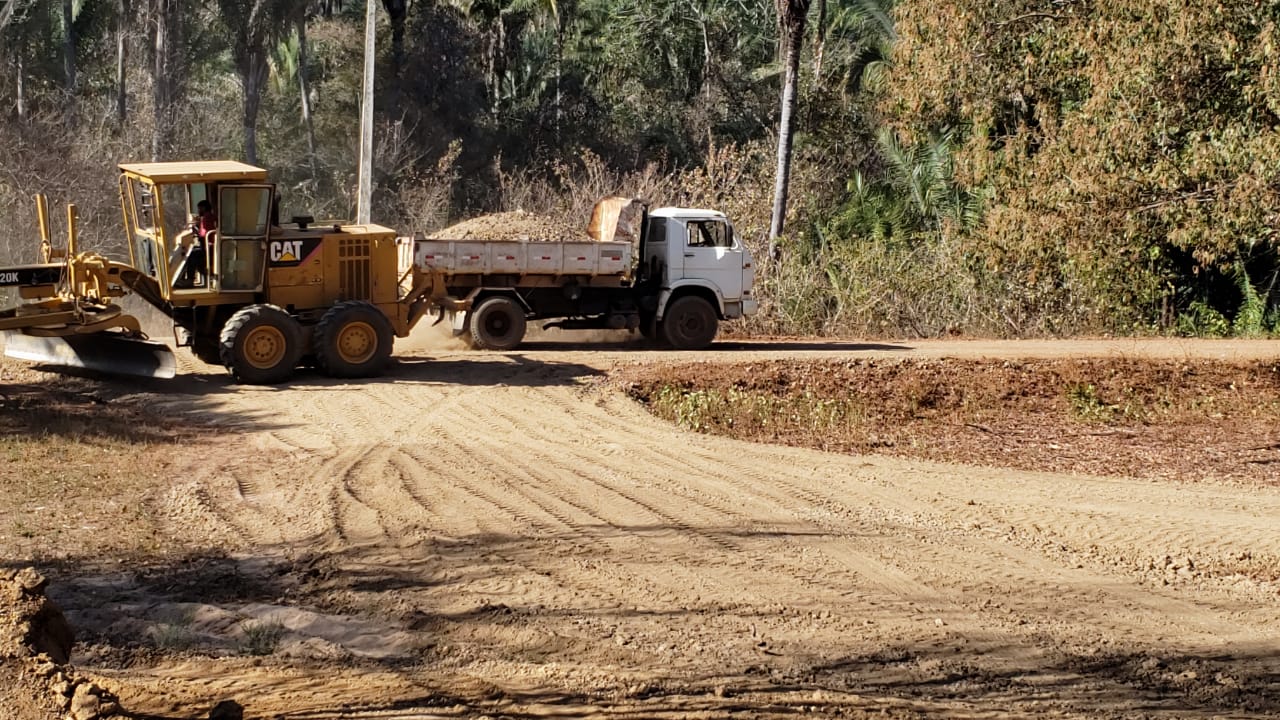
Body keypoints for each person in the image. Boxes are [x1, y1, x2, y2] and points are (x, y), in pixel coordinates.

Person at [175, 200, 216, 287]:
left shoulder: (207, 217)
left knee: (192, 255)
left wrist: (198, 234)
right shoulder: (207, 217)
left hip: (210, 247)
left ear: (204, 208)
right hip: (208, 246)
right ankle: (188, 278)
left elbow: (206, 233)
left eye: (199, 209)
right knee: (193, 252)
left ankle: (190, 280)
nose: (198, 211)